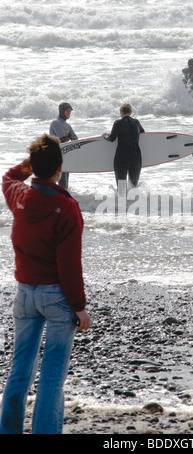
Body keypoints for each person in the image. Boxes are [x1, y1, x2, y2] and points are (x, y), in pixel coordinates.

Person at [0, 134, 90, 434]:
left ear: (35, 165)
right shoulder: (67, 207)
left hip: (25, 293)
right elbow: (68, 265)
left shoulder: (20, 196)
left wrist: (29, 166)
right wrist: (80, 308)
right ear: (60, 168)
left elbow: (9, 176)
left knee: (19, 369)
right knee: (52, 375)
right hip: (56, 297)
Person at [103, 103, 145, 192]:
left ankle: (121, 205)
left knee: (121, 190)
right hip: (136, 158)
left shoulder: (118, 123)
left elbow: (112, 138)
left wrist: (105, 136)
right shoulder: (136, 122)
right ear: (131, 112)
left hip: (122, 158)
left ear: (121, 112)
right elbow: (142, 132)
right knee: (134, 189)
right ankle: (134, 205)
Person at [49, 102, 78, 189]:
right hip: (56, 156)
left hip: (65, 155)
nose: (69, 113)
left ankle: (62, 199)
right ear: (62, 111)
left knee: (65, 185)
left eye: (70, 111)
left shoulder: (67, 125)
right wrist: (69, 135)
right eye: (67, 111)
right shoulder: (56, 122)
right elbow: (62, 139)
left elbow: (75, 139)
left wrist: (67, 135)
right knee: (62, 184)